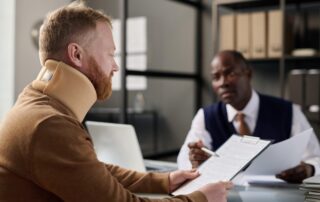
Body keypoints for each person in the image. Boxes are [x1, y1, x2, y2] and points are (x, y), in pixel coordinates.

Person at [0, 2, 232, 202]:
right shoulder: (49, 124)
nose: (115, 66)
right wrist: (201, 198)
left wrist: (166, 181)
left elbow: (90, 172)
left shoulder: (34, 103)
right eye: (110, 54)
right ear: (76, 54)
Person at [177, 50, 320, 183]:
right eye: (216, 77)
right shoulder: (206, 116)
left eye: (231, 74)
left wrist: (308, 169)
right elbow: (184, 159)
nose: (223, 83)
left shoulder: (288, 111)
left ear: (248, 74)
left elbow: (316, 158)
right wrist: (194, 161)